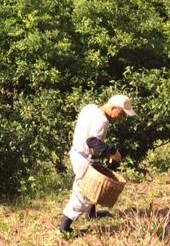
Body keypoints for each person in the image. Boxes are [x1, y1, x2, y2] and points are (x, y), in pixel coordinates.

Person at [58, 94, 136, 236]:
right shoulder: (102, 121)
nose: (121, 117)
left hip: (77, 151)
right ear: (114, 107)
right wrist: (112, 151)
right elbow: (92, 141)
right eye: (122, 113)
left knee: (94, 185)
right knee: (84, 193)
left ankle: (91, 214)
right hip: (84, 158)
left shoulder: (90, 108)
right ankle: (64, 228)